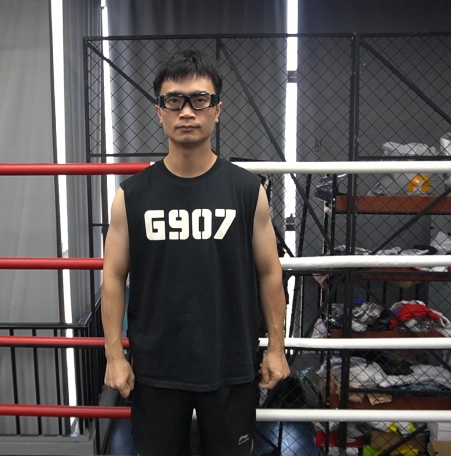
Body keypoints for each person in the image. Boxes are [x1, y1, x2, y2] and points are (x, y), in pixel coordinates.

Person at [101, 49, 290, 456]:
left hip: (230, 364)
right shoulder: (131, 196)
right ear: (159, 112)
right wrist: (114, 355)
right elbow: (113, 277)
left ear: (217, 109)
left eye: (199, 99)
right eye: (174, 100)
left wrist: (277, 348)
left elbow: (270, 273)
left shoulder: (247, 191)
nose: (187, 111)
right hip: (156, 368)